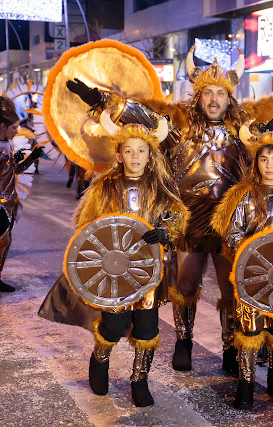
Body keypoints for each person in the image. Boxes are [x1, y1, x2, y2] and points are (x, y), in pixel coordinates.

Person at [67, 48, 273, 375]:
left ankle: (229, 347)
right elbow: (135, 111)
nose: (213, 99)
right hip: (189, 220)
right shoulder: (178, 121)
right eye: (207, 93)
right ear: (198, 96)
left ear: (229, 98)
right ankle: (184, 340)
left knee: (232, 287)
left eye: (220, 93)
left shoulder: (245, 121)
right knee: (185, 284)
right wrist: (96, 97)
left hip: (232, 221)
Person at [74, 118, 189, 407]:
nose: (135, 157)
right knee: (113, 325)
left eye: (141, 151)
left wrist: (164, 231)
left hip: (148, 271)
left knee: (147, 329)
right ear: (118, 155)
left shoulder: (160, 187)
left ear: (150, 156)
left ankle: (139, 380)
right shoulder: (105, 187)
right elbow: (85, 224)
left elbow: (176, 217)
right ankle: (101, 357)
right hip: (113, 273)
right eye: (128, 150)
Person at [210, 118, 273, 410]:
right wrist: (249, 251)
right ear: (257, 163)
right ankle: (246, 382)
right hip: (252, 275)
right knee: (250, 330)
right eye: (264, 159)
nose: (269, 165)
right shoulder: (245, 196)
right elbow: (233, 232)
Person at [0, 96, 43, 298]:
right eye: (14, 127)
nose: (17, 131)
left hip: (10, 200)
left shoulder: (8, 144)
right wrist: (8, 163)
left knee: (6, 240)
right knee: (3, 238)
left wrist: (31, 157)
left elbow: (14, 170)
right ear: (3, 126)